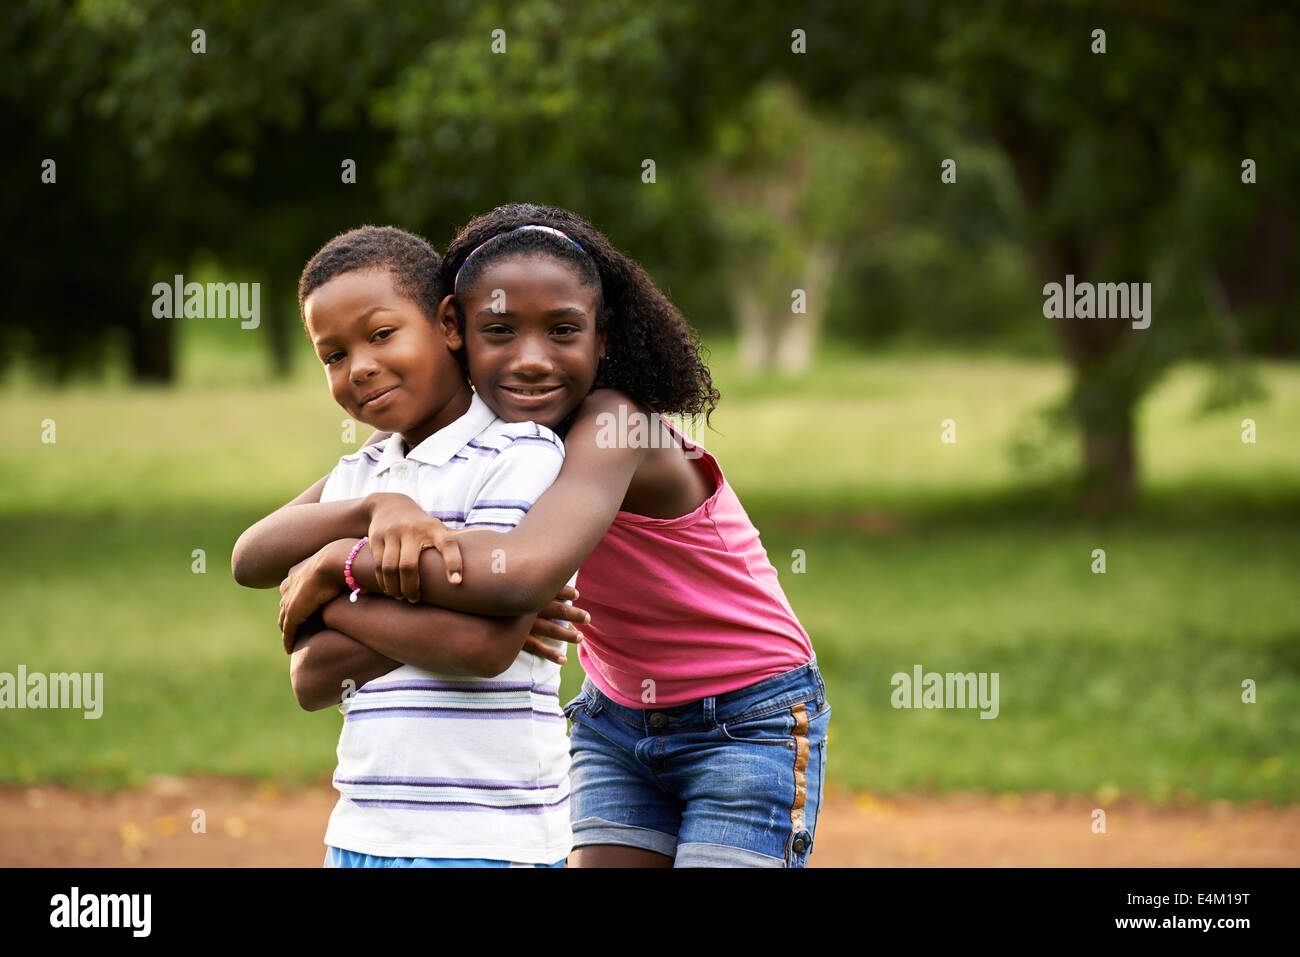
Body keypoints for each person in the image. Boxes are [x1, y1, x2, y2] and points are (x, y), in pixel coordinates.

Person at [262, 205, 830, 868]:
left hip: (745, 716)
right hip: (616, 717)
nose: (531, 361)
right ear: (455, 331)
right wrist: (362, 545)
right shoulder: (467, 445)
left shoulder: (614, 424)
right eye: (498, 330)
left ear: (603, 337)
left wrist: (338, 568)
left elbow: (518, 574)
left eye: (563, 330)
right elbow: (271, 547)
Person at [231, 225, 586, 868]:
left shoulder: (518, 451)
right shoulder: (361, 476)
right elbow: (300, 658)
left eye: (381, 334)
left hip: (490, 840)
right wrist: (374, 510)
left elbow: (481, 648)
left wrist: (330, 585)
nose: (359, 367)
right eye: (333, 356)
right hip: (362, 835)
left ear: (449, 323)